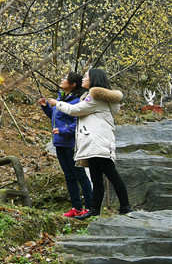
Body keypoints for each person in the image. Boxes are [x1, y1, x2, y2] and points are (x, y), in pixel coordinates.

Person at [50, 68, 131, 219]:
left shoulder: (95, 98)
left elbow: (75, 110)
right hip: (93, 143)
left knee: (112, 175)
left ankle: (125, 206)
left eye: (86, 76)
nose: (83, 78)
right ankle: (94, 210)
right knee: (96, 178)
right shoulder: (94, 97)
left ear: (93, 79)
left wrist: (57, 103)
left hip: (97, 142)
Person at [38, 72, 92, 217]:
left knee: (79, 175)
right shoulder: (61, 99)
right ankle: (76, 208)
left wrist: (63, 131)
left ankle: (89, 208)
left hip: (72, 143)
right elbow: (56, 117)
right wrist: (46, 107)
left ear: (73, 84)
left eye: (65, 79)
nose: (62, 80)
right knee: (68, 176)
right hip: (60, 143)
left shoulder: (77, 102)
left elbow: (78, 123)